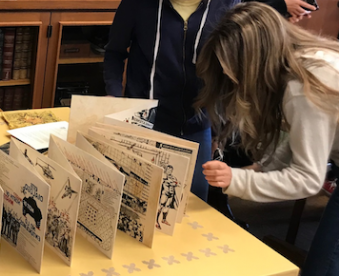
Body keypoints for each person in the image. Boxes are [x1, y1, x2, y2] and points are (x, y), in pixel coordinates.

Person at [194, 2, 339, 275]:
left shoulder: (302, 85)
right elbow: (302, 138)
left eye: (234, 71)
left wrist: (238, 180)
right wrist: (262, 169)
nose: (233, 80)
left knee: (324, 267)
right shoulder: (300, 60)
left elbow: (307, 179)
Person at [104, 0, 241, 201]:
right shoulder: (137, 4)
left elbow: (229, 71)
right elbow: (114, 52)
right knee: (137, 202)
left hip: (197, 126)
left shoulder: (227, 5)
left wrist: (218, 132)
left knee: (192, 207)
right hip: (144, 124)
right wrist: (114, 96)